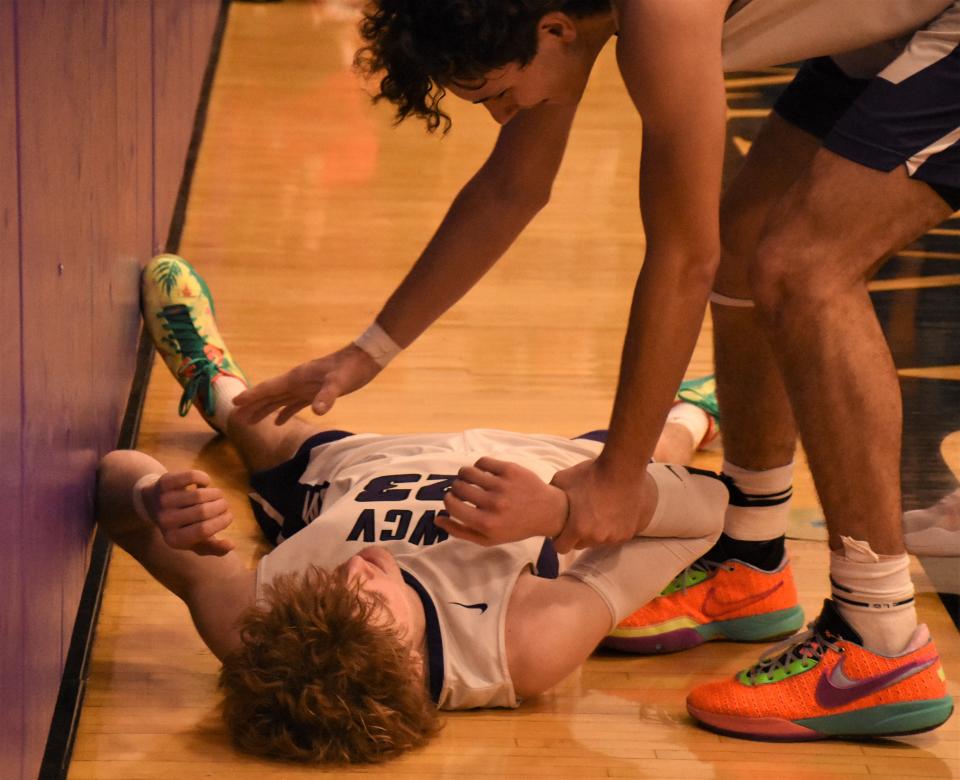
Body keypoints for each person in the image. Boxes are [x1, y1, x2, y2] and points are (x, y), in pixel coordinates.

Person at [230, 1, 958, 739]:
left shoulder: (655, 17)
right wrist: (365, 353)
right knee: (745, 239)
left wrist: (619, 473)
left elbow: (680, 260)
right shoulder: (558, 18)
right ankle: (750, 559)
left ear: (552, 33)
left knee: (803, 267)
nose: (501, 115)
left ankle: (879, 644)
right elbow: (512, 187)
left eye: (496, 95)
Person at [98, 253, 744, 763]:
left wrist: (152, 499)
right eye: (370, 600)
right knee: (649, 453)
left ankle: (216, 382)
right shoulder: (521, 646)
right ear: (411, 665)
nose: (357, 568)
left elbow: (111, 481)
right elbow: (706, 511)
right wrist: (558, 516)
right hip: (549, 469)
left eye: (325, 584)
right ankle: (697, 409)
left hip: (355, 466)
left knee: (261, 432)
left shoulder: (262, 635)